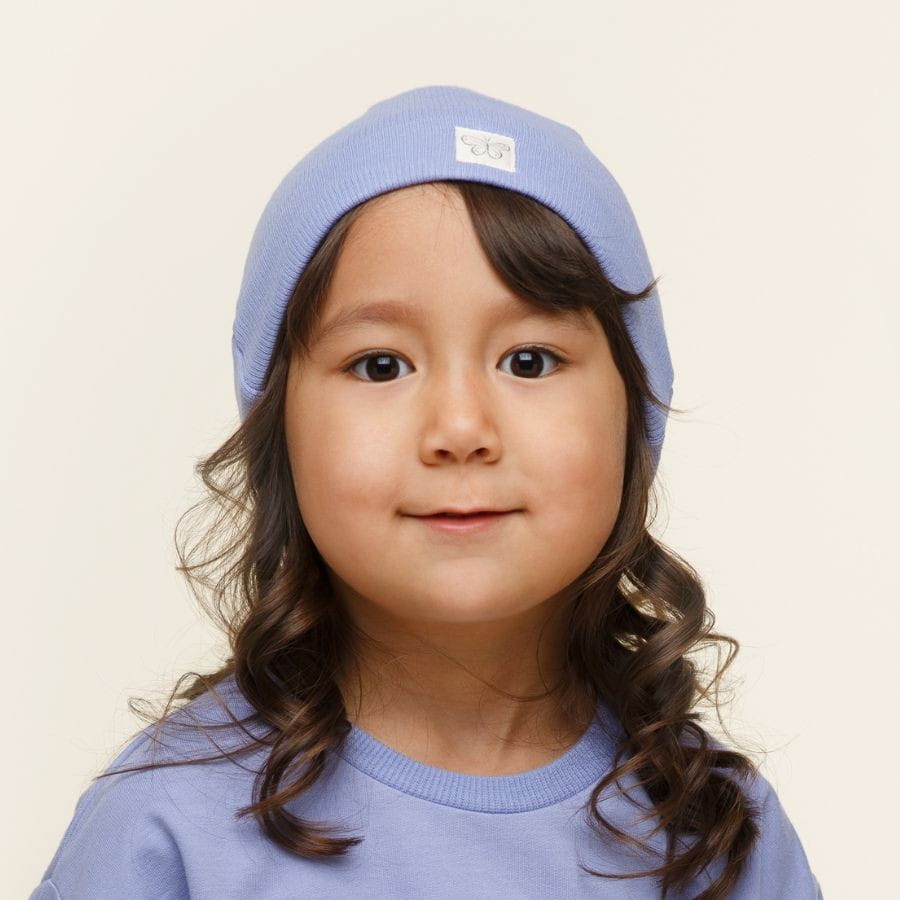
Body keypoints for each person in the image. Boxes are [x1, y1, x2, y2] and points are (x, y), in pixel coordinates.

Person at [30, 84, 823, 899]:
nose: (460, 427)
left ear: (634, 411)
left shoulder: (720, 834)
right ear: (279, 429)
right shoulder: (164, 830)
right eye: (381, 365)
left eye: (529, 361)